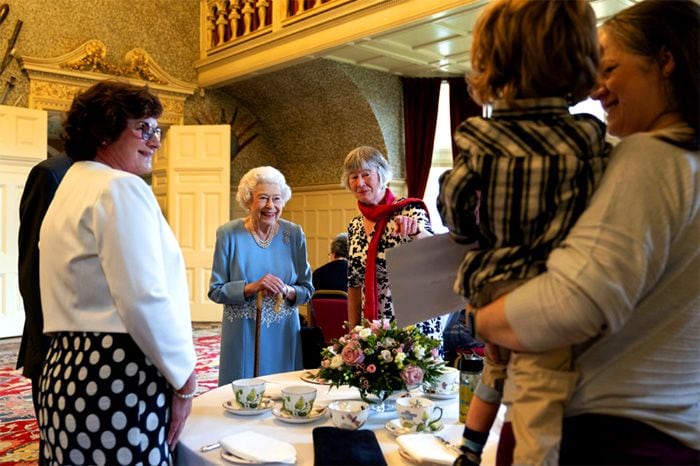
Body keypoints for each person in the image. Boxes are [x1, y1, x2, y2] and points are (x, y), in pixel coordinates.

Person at [472, 0, 700, 464]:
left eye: (610, 68)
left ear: (665, 60)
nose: (596, 89)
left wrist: (484, 317)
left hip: (613, 435)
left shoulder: (651, 157)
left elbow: (572, 306)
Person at [437, 1, 610, 464]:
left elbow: (452, 200)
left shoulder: (479, 137)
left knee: (495, 359)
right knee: (539, 395)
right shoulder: (588, 138)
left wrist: (469, 236)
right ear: (580, 60)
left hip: (490, 278)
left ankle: (470, 449)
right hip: (549, 283)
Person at [37, 81, 197, 465]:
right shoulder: (120, 187)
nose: (155, 141)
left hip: (65, 368)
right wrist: (185, 378)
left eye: (156, 130)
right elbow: (143, 298)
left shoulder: (70, 187)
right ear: (104, 132)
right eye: (144, 128)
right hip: (118, 374)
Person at [209, 166, 314, 385]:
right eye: (263, 198)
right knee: (242, 400)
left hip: (284, 334)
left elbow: (307, 289)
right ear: (248, 201)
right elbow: (216, 290)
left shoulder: (293, 234)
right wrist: (251, 287)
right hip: (242, 334)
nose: (271, 206)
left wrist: (286, 290)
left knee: (283, 398)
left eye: (277, 198)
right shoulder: (228, 234)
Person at [343, 146, 443, 341]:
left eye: (366, 174)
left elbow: (435, 249)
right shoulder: (355, 225)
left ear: (381, 175)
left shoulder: (409, 210)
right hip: (371, 326)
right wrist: (353, 332)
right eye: (354, 177)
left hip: (413, 321)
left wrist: (416, 231)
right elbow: (354, 283)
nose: (360, 183)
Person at [16, 153, 72, 418]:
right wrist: (45, 348)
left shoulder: (117, 178)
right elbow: (32, 269)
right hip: (53, 341)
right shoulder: (51, 174)